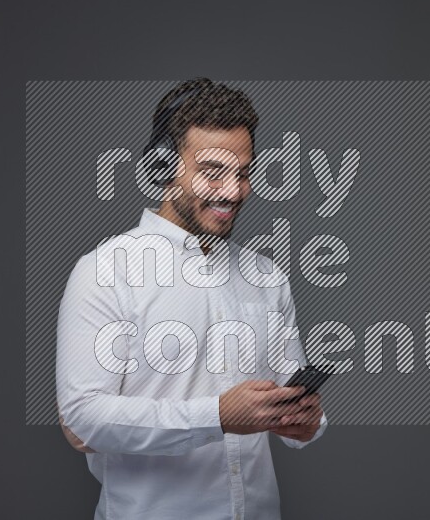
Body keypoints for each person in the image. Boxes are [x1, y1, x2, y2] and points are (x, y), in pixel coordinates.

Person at [56, 78, 327, 520]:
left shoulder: (267, 277)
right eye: (213, 172)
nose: (234, 191)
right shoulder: (105, 271)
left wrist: (306, 422)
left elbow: (290, 404)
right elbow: (84, 417)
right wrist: (217, 415)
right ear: (164, 168)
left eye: (242, 172)